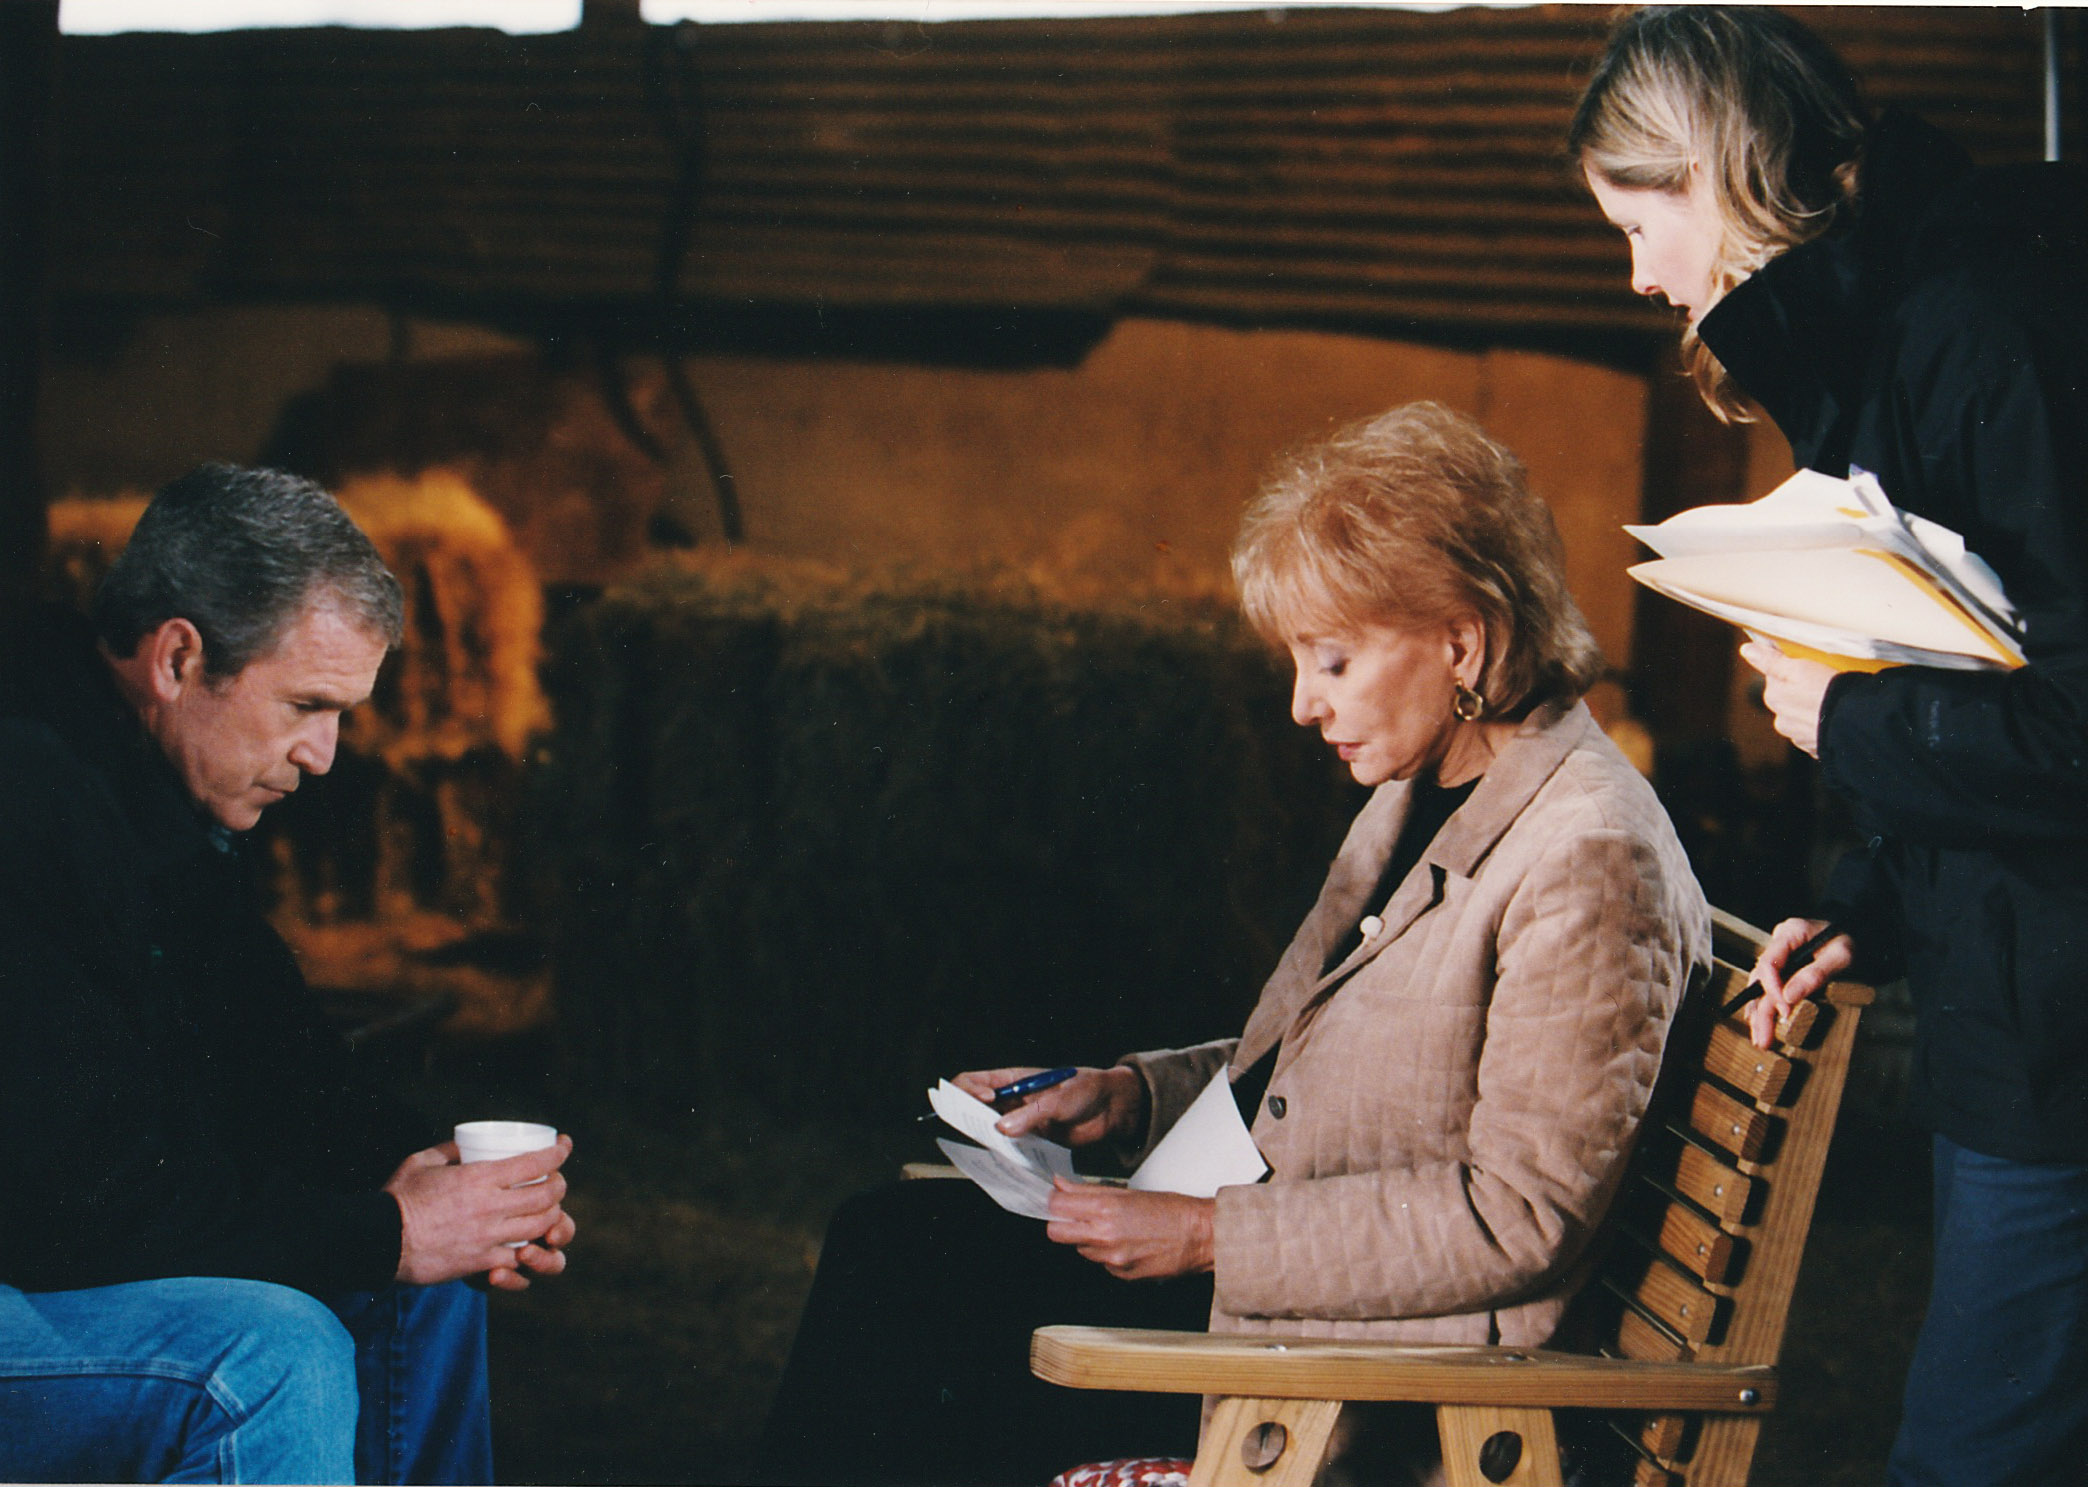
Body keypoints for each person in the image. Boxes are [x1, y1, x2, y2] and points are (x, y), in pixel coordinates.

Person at [758, 402, 1709, 1486]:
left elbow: (1517, 1216)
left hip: (1364, 1378)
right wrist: (1133, 1097)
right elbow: (1347, 1066)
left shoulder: (1588, 855)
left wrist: (1208, 1233)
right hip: (1290, 1308)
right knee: (890, 1239)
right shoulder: (1428, 791)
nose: (1303, 704)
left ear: (1463, 640)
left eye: (1333, 660)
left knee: (909, 1306)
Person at [1572, 8, 2088, 1484]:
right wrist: (1871, 905)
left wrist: (1847, 720)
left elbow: (2070, 716)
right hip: (2016, 1002)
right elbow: (1977, 661)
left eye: (1638, 223)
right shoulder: (1884, 332)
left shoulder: (1976, 329)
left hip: (2064, 1041)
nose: (1640, 274)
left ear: (1711, 168)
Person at [0, 464, 578, 1484]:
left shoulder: (158, 791)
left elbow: (277, 1058)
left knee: (424, 1279)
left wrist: (443, 1187)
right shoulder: (26, 801)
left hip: (62, 1232)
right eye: (307, 704)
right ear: (178, 657)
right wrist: (384, 1228)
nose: (325, 754)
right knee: (270, 1357)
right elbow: (80, 1199)